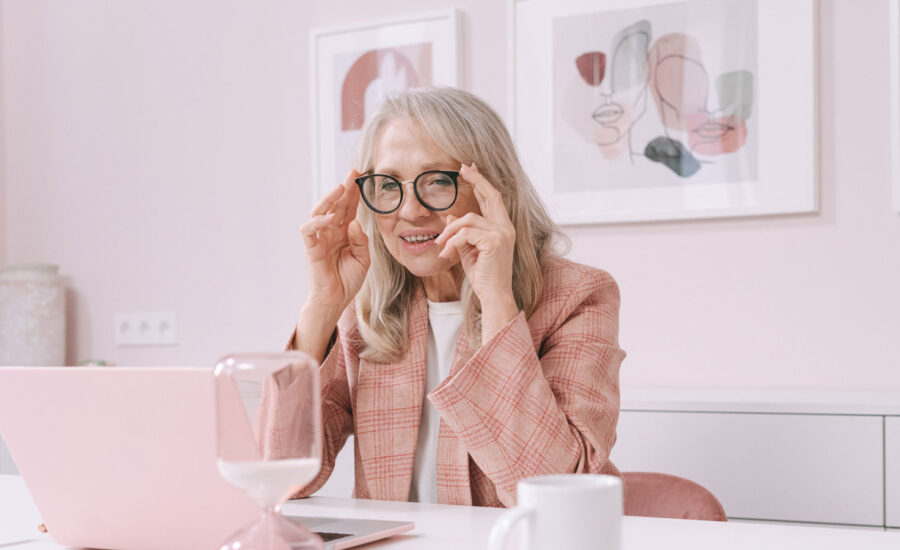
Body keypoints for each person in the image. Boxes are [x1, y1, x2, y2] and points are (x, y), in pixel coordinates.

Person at [284, 86, 625, 507]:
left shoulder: (577, 297)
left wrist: (497, 298)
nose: (410, 211)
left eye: (437, 182)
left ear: (493, 189)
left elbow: (561, 499)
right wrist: (321, 304)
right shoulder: (365, 309)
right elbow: (279, 477)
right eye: (389, 185)